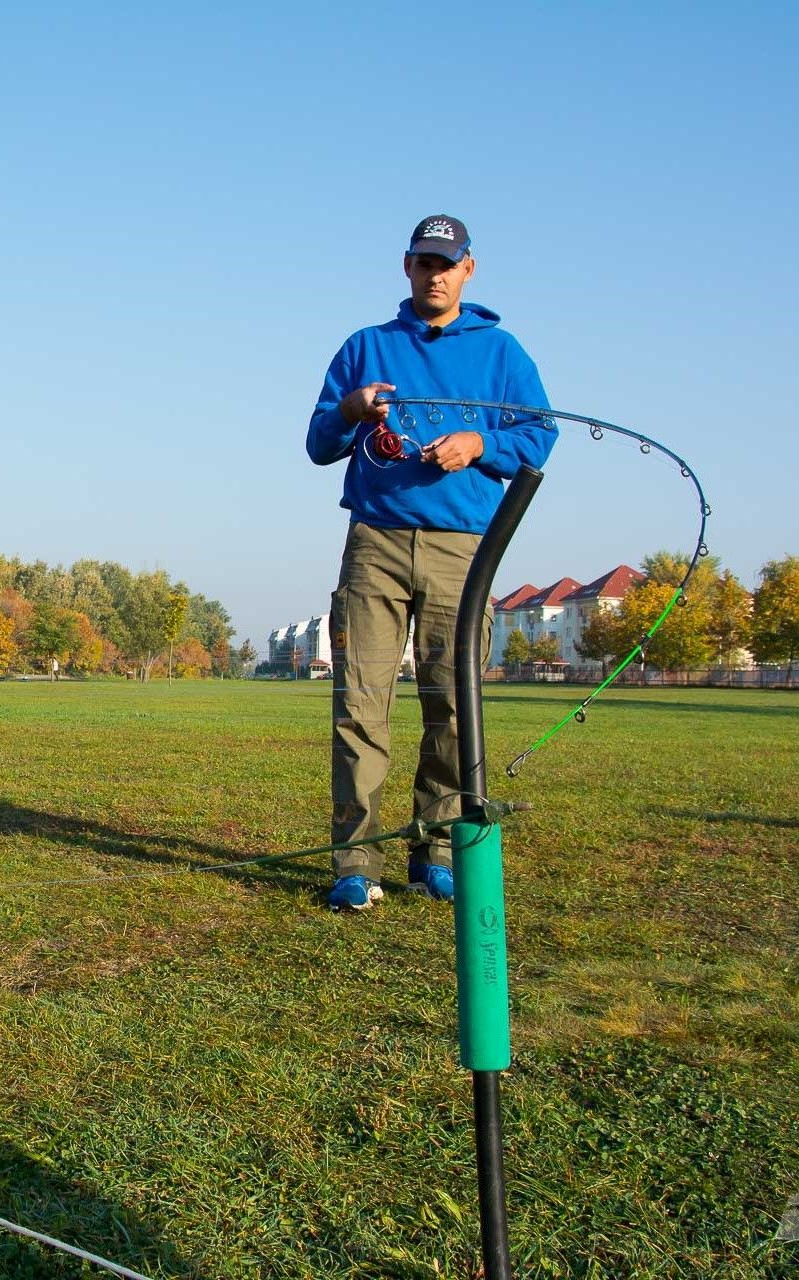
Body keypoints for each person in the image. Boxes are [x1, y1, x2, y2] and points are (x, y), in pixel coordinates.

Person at [306, 214, 558, 911]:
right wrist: (352, 411)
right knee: (360, 709)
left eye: (447, 262)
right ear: (406, 267)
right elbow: (317, 442)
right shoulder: (366, 347)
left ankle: (435, 851)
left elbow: (540, 435)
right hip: (375, 545)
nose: (435, 273)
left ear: (468, 269)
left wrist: (481, 444)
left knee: (453, 709)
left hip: (461, 552)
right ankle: (354, 864)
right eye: (423, 261)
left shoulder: (502, 353)